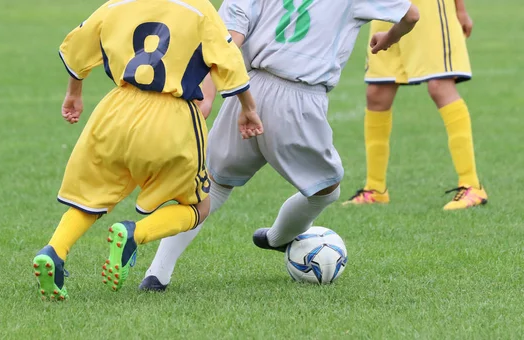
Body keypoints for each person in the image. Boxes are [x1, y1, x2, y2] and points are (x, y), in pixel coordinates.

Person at [138, 0, 420, 292]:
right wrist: (389, 38)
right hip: (299, 98)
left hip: (247, 90)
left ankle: (157, 274)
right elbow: (411, 15)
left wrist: (207, 95)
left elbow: (228, 40)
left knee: (212, 186)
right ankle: (277, 238)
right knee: (326, 189)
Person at [32, 0, 263, 301]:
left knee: (91, 197)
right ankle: (134, 234)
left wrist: (73, 93)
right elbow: (229, 62)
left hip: (114, 113)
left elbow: (76, 46)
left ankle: (55, 250)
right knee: (198, 207)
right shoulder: (198, 8)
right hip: (171, 116)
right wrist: (248, 108)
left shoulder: (117, 4)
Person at [344, 0, 487, 210]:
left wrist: (461, 10)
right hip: (387, 5)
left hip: (429, 8)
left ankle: (471, 186)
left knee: (439, 85)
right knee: (377, 92)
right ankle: (375, 189)